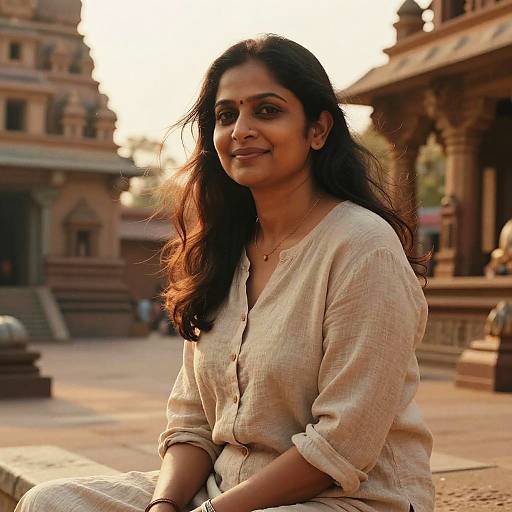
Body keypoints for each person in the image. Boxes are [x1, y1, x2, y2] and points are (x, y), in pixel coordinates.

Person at [15, 35, 434, 512]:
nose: (241, 130)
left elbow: (341, 446)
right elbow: (192, 421)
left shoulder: (362, 247)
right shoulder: (225, 250)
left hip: (347, 497)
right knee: (50, 502)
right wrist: (166, 506)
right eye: (226, 115)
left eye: (267, 111)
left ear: (317, 130)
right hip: (223, 490)